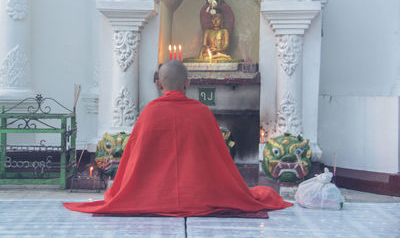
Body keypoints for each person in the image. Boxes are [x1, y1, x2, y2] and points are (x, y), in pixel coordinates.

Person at [63, 61, 292, 217]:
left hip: (151, 196)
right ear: (187, 83)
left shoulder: (149, 113)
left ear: (159, 84)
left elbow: (132, 162)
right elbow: (220, 162)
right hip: (201, 196)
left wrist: (120, 191)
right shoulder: (202, 113)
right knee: (262, 195)